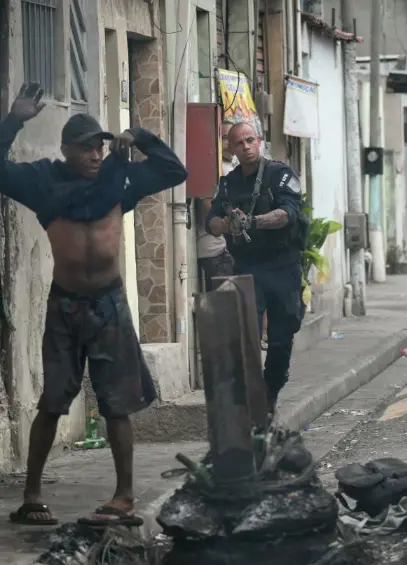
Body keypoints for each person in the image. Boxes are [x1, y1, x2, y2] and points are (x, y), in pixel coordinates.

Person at [0, 84, 188, 526]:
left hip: (109, 306)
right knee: (53, 400)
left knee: (116, 403)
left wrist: (140, 136)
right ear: (66, 149)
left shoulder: (119, 178)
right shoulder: (44, 181)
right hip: (65, 307)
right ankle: (32, 496)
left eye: (101, 146)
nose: (96, 154)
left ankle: (124, 498)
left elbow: (175, 171)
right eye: (86, 148)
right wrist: (14, 120)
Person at [206, 122, 305, 417]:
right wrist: (226, 224)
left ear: (259, 141)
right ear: (232, 149)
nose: (246, 147)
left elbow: (288, 213)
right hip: (248, 267)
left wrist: (252, 222)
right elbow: (210, 222)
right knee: (244, 334)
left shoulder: (280, 174)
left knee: (280, 337)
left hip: (282, 266)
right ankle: (249, 400)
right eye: (239, 143)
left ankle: (270, 391)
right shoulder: (228, 183)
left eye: (250, 140)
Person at [196, 120, 235, 291]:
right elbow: (209, 206)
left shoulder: (231, 167)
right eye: (224, 137)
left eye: (231, 138)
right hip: (217, 251)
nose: (229, 143)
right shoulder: (212, 167)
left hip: (227, 251)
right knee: (225, 309)